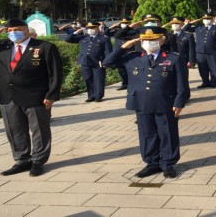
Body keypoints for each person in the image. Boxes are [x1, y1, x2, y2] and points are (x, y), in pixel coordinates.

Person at [0, 19, 63, 177]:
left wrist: (51, 95)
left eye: (16, 29)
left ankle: (38, 161)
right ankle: (22, 160)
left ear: (27, 30)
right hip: (7, 96)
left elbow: (55, 73)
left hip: (36, 96)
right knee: (15, 130)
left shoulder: (44, 47)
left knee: (39, 130)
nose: (12, 33)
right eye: (9, 30)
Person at [103, 29, 188, 178]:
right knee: (147, 134)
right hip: (141, 103)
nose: (149, 43)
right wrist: (125, 46)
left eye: (153, 39)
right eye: (145, 40)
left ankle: (168, 163)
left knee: (167, 133)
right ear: (141, 42)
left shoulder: (172, 58)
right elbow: (107, 62)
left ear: (161, 41)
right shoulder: (133, 58)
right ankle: (152, 163)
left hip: (166, 103)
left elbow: (182, 84)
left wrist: (179, 102)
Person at [65, 22, 112, 102]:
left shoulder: (103, 38)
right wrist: (75, 32)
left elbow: (109, 51)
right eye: (89, 28)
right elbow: (68, 40)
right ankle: (91, 96)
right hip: (85, 62)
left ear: (97, 28)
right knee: (88, 79)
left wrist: (106, 62)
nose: (90, 29)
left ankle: (98, 96)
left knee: (99, 79)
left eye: (93, 28)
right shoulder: (83, 37)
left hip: (98, 62)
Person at [185, 14, 216, 88]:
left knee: (213, 68)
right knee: (202, 68)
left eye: (208, 19)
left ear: (212, 20)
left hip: (213, 51)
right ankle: (205, 82)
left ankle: (214, 82)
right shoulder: (199, 27)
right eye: (204, 19)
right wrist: (191, 23)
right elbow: (185, 29)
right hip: (200, 52)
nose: (206, 20)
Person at [105, 18, 132, 90]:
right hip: (118, 53)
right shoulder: (117, 31)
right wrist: (112, 26)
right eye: (123, 23)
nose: (124, 24)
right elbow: (106, 33)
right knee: (121, 70)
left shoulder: (132, 31)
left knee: (129, 69)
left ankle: (131, 83)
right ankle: (125, 83)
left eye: (126, 23)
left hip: (128, 52)